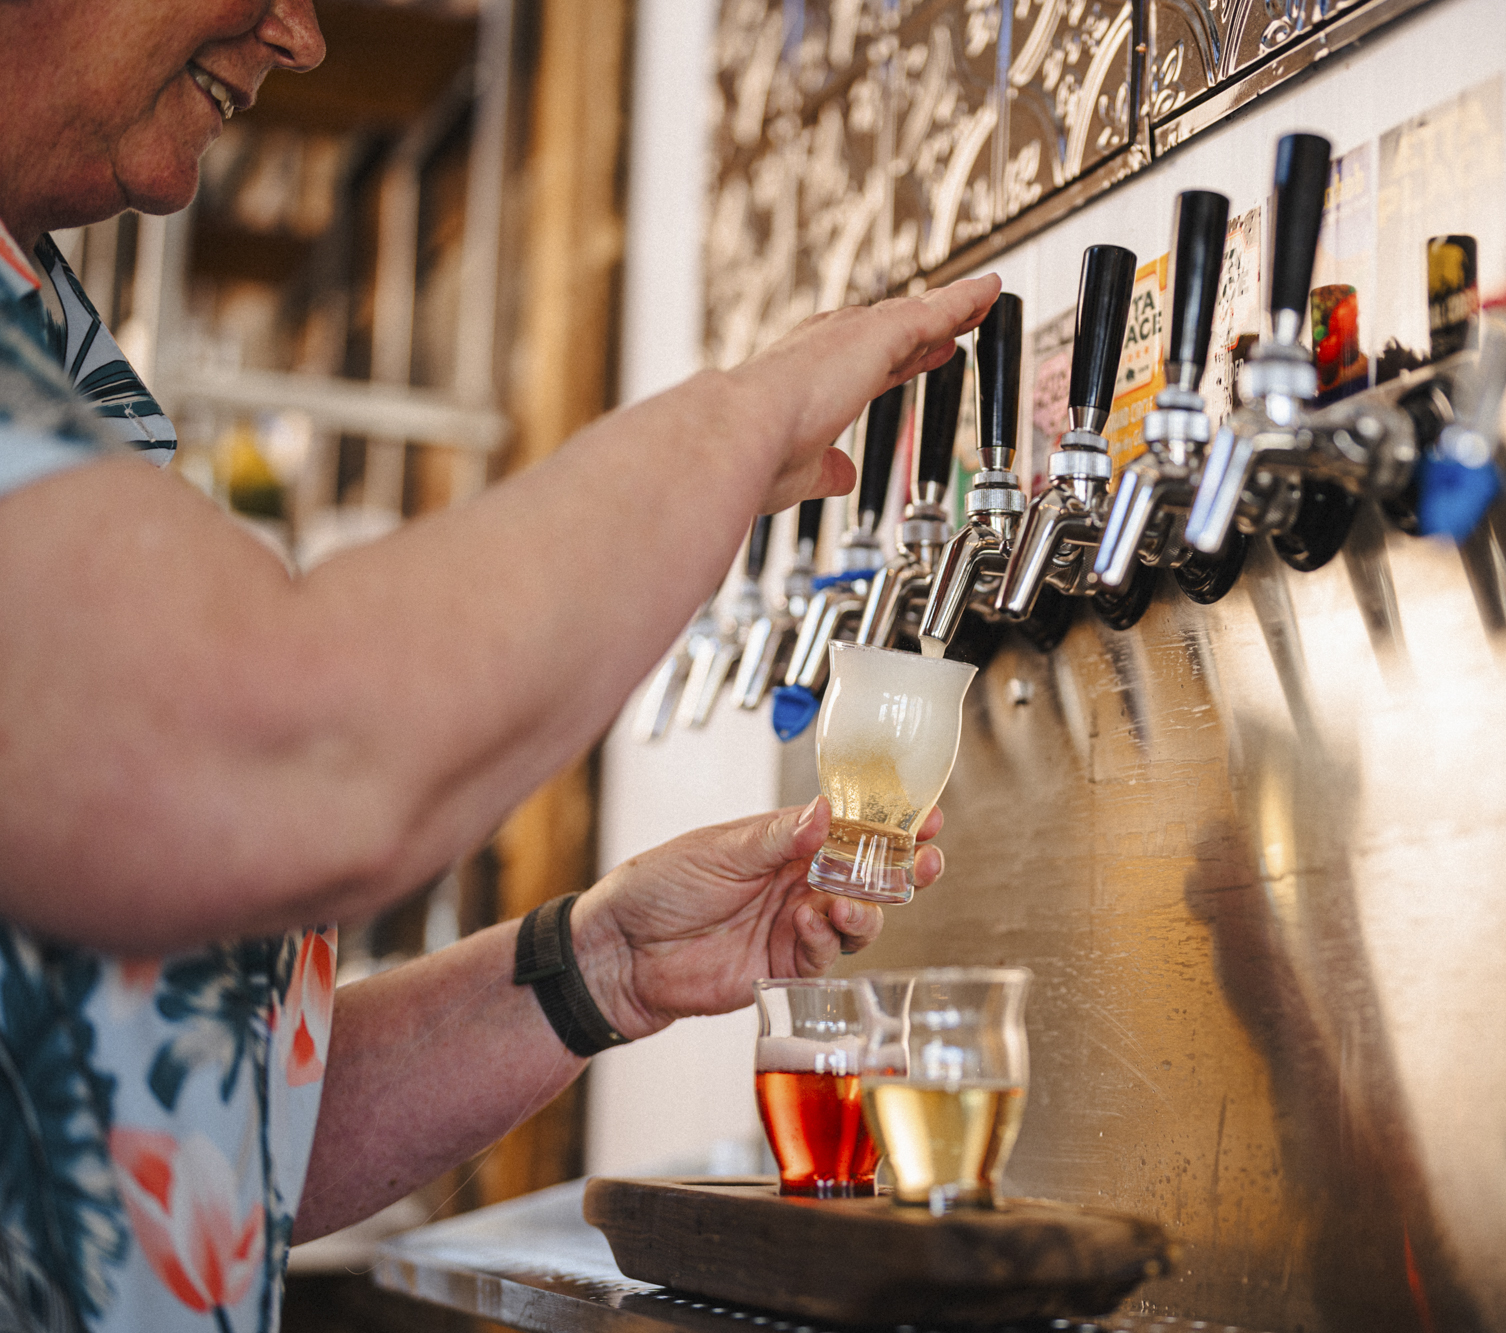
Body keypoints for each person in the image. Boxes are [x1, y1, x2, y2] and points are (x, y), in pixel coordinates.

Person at [0, 2, 1002, 1329]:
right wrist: (739, 415)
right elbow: (281, 747)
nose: (301, 34)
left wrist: (597, 965)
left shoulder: (47, 332)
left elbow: (200, 1123)